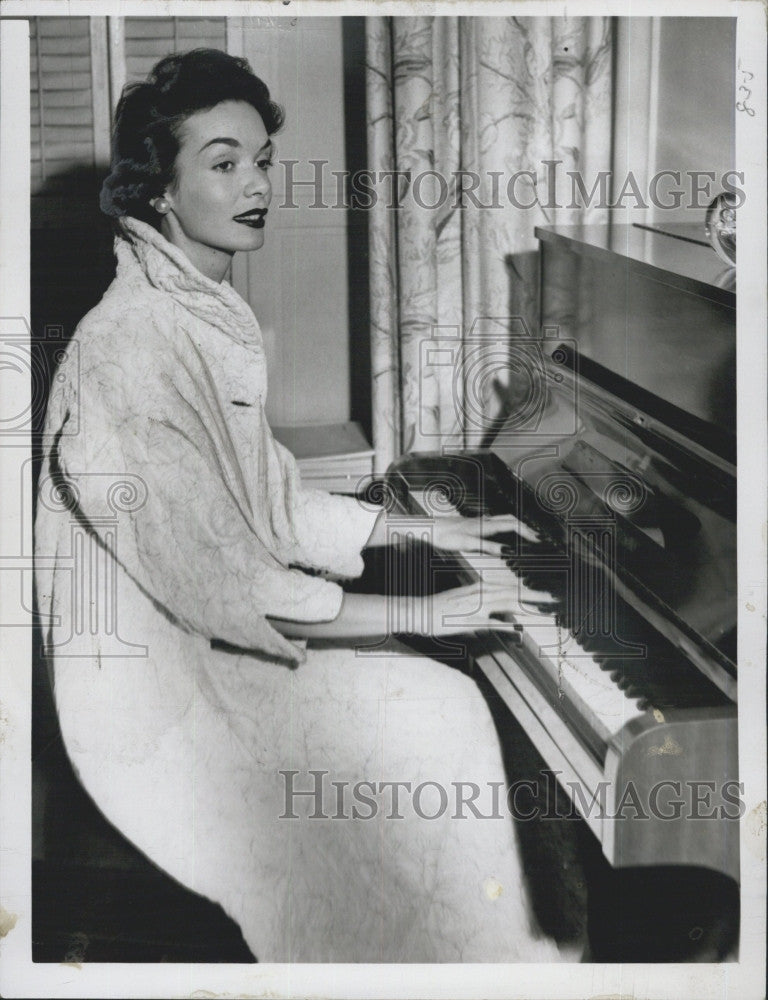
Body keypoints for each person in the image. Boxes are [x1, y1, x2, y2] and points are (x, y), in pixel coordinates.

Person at [34, 48, 576, 963]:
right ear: (159, 190)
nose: (256, 186)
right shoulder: (127, 346)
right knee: (434, 703)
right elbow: (230, 580)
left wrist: (425, 526)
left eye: (261, 161)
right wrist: (424, 609)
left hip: (204, 648)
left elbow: (270, 501)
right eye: (222, 162)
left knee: (433, 704)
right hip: (157, 705)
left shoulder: (193, 306)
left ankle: (474, 955)